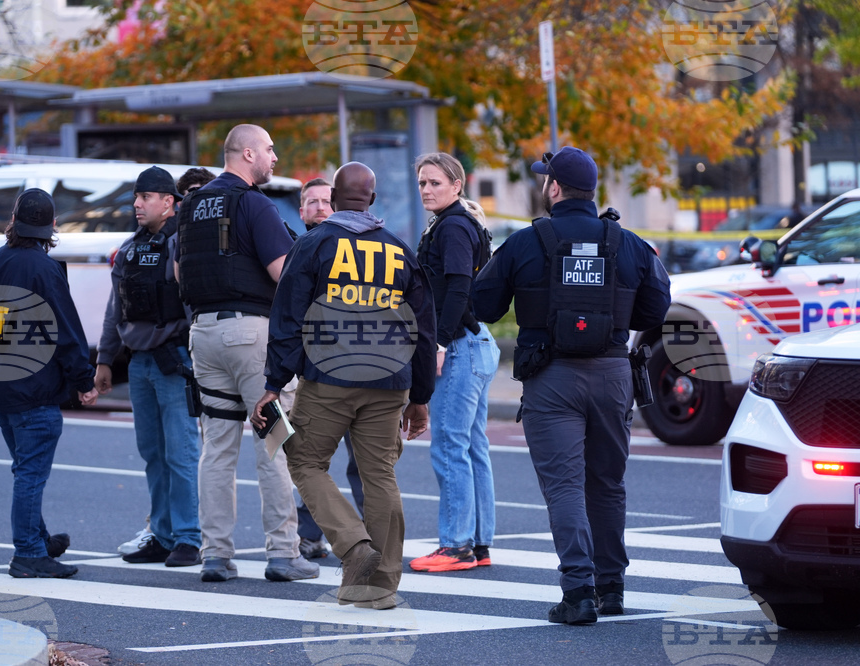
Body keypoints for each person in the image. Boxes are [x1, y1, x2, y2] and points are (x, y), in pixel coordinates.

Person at [471, 146, 671, 625]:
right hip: (613, 375)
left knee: (564, 487)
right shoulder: (629, 243)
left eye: (545, 180)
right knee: (607, 484)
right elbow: (656, 307)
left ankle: (578, 592)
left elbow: (484, 305)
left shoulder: (524, 242)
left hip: (552, 378)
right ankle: (612, 588)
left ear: (554, 188)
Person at [252, 161, 436, 611]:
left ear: (333, 199)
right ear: (372, 199)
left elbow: (288, 315)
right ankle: (380, 588)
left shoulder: (314, 244)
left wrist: (275, 382)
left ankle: (354, 548)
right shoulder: (399, 250)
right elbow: (424, 327)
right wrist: (421, 396)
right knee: (380, 476)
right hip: (390, 381)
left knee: (304, 460)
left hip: (330, 377)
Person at [176, 124, 319, 583]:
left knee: (216, 450)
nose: (274, 159)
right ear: (249, 153)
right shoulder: (253, 204)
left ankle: (215, 555)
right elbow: (282, 272)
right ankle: (283, 553)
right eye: (271, 151)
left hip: (203, 334)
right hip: (251, 336)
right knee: (273, 444)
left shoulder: (193, 205)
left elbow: (180, 274)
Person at [0, 188, 99, 579]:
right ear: (52, 226)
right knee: (30, 473)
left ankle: (39, 539)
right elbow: (65, 330)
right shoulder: (44, 270)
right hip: (34, 387)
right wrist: (84, 379)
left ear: (13, 222)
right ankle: (28, 552)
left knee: (24, 466)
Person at [94, 166, 202, 568]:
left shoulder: (184, 245)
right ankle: (163, 533)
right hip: (139, 363)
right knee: (153, 454)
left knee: (181, 452)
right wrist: (105, 360)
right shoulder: (129, 249)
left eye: (147, 197)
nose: (137, 204)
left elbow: (194, 306)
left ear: (169, 202)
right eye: (136, 197)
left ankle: (189, 538)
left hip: (174, 359)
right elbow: (114, 310)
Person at [408, 153, 501, 574]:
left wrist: (441, 342)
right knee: (472, 447)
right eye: (423, 182)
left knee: (449, 447)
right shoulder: (457, 223)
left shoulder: (453, 227)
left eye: (435, 183)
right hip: (475, 342)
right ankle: (477, 543)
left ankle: (457, 545)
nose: (427, 189)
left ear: (457, 185)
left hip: (461, 344)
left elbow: (459, 286)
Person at [293, 177, 366, 560]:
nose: (320, 207)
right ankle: (309, 534)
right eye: (312, 201)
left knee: (364, 462)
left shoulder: (360, 248)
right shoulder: (294, 250)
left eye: (326, 200)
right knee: (307, 458)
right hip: (311, 371)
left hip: (356, 370)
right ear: (301, 209)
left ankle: (367, 539)